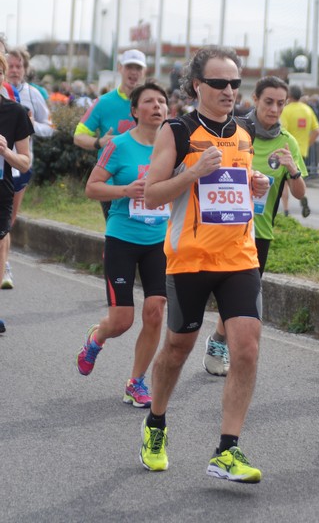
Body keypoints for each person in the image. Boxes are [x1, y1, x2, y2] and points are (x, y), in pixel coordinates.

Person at [139, 46, 268, 482]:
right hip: (190, 260)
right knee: (177, 349)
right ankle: (155, 423)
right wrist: (192, 173)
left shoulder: (245, 134)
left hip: (239, 257)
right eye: (219, 83)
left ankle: (227, 450)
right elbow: (152, 193)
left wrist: (258, 186)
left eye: (235, 83)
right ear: (198, 86)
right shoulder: (177, 131)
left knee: (246, 347)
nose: (229, 90)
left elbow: (239, 189)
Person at [203, 76, 307, 376]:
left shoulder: (287, 141)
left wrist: (292, 169)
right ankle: (207, 339)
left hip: (258, 234)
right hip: (221, 227)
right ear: (255, 100)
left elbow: (299, 194)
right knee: (215, 292)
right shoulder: (234, 131)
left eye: (280, 104)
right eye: (268, 102)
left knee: (238, 298)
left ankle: (220, 342)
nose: (274, 109)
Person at [76, 81, 169, 407]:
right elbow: (92, 187)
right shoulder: (118, 145)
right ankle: (96, 338)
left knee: (155, 312)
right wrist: (125, 191)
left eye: (162, 101)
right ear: (134, 111)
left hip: (160, 240)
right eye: (149, 101)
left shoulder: (174, 148)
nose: (157, 106)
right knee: (122, 320)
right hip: (123, 238)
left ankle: (136, 382)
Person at [74, 49, 147, 220]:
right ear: (120, 68)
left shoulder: (153, 103)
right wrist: (99, 142)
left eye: (138, 68)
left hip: (145, 181)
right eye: (130, 67)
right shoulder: (103, 102)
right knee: (116, 234)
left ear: (144, 72)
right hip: (110, 184)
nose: (134, 73)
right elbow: (78, 136)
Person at [2, 47, 53, 289]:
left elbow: (49, 127)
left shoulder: (32, 96)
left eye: (17, 66)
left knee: (7, 223)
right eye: (10, 65)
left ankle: (4, 263)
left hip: (15, 170)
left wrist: (30, 127)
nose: (14, 70)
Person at [0, 52, 34, 331]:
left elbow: (25, 161)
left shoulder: (15, 113)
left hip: (2, 188)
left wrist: (5, 152)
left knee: (0, 242)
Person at [280, 84, 319, 217]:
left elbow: (282, 131)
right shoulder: (308, 110)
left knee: (284, 183)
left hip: (286, 150)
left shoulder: (286, 110)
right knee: (297, 179)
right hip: (301, 152)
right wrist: (306, 144)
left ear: (289, 96)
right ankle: (303, 197)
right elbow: (317, 130)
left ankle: (285, 210)